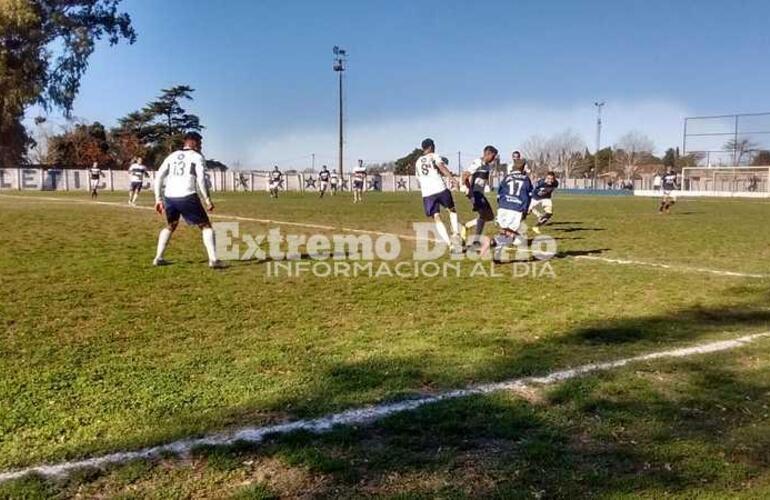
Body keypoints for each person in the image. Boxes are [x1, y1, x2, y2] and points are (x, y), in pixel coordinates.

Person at [152, 131, 223, 269]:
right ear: (193, 142)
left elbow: (159, 175)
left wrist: (158, 199)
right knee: (205, 225)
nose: (201, 146)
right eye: (200, 142)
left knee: (171, 225)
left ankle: (158, 258)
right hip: (187, 195)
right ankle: (214, 260)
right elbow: (201, 179)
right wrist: (207, 199)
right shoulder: (196, 157)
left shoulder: (172, 156)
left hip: (170, 196)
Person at [415, 138, 462, 252]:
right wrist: (453, 179)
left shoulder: (418, 161)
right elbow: (442, 167)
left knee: (436, 217)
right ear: (431, 147)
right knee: (451, 209)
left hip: (427, 193)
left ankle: (449, 244)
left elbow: (418, 179)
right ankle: (455, 233)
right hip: (439, 188)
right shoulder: (434, 156)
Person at [481, 158, 532, 259]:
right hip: (516, 208)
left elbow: (499, 195)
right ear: (523, 167)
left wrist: (501, 206)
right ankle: (492, 242)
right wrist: (525, 211)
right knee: (511, 235)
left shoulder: (507, 177)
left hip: (503, 207)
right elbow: (528, 196)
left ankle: (497, 256)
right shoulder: (526, 179)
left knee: (505, 232)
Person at [460, 145, 498, 246]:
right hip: (474, 193)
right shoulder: (477, 163)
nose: (494, 159)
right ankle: (476, 240)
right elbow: (465, 175)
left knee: (489, 216)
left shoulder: (488, 166)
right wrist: (469, 190)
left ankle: (466, 226)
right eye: (493, 156)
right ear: (488, 154)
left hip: (480, 194)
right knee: (484, 215)